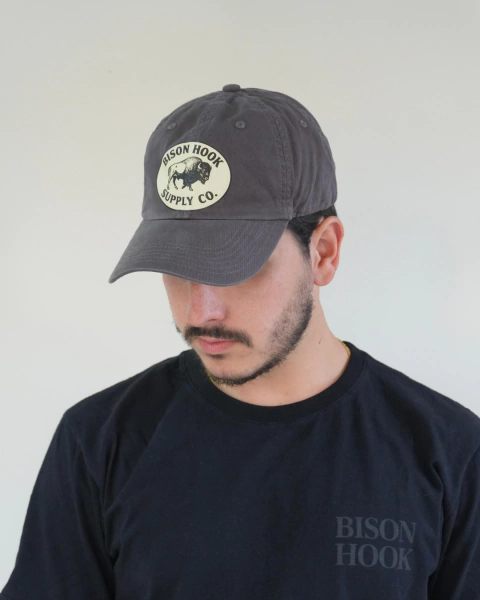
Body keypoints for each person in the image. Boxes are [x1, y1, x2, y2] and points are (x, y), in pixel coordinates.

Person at [2, 84, 479, 600]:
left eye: (237, 267)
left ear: (323, 252)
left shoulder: (449, 454)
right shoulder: (100, 441)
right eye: (176, 268)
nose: (201, 312)